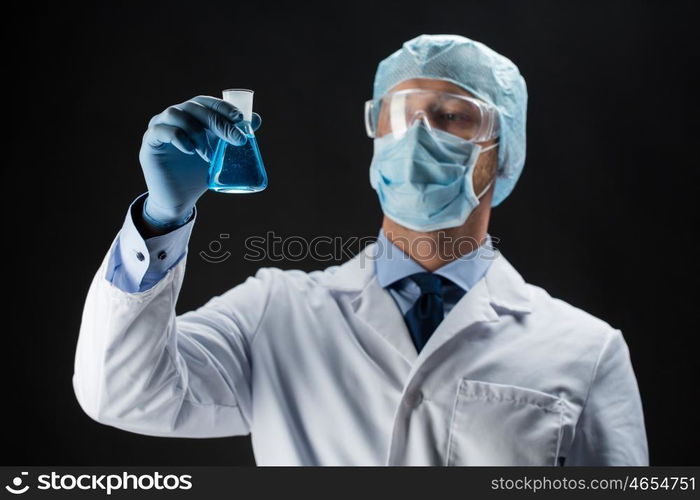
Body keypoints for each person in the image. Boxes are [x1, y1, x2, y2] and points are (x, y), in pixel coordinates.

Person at [72, 34, 649, 466]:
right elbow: (124, 393)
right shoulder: (276, 311)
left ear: (503, 150)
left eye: (451, 116)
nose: (417, 135)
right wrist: (161, 218)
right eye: (398, 115)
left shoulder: (586, 351)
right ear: (375, 137)